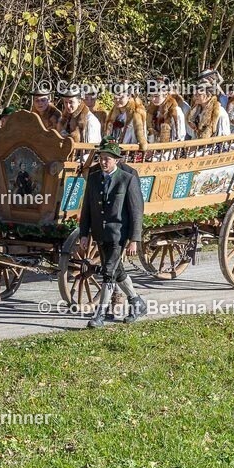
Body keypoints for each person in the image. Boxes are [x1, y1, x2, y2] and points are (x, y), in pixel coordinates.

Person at [77, 138, 146, 328]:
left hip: (119, 235)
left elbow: (136, 211)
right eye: (101, 158)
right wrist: (84, 234)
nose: (103, 162)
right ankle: (137, 302)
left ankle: (99, 315)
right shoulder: (93, 178)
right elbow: (87, 208)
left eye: (107, 158)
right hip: (100, 233)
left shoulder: (127, 179)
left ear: (117, 160)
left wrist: (134, 239)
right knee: (118, 271)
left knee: (108, 273)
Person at [104, 81, 147, 150]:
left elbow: (141, 137)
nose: (117, 100)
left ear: (129, 97)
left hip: (129, 149)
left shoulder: (136, 114)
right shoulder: (114, 114)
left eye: (121, 97)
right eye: (115, 97)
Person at [147, 78, 186, 142]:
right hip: (154, 146)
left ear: (165, 95)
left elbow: (180, 137)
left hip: (170, 146)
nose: (153, 99)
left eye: (156, 96)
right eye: (152, 96)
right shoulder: (151, 111)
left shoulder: (175, 110)